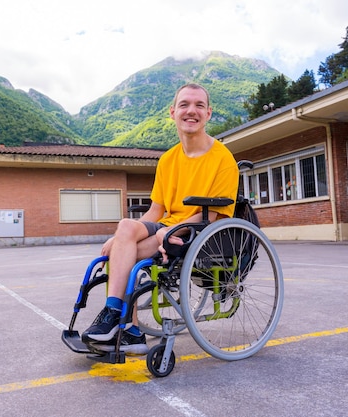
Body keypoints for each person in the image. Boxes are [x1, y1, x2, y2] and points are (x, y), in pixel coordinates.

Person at [81, 83, 239, 354]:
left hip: (198, 231)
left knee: (124, 255)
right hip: (165, 227)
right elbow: (156, 211)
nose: (192, 111)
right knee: (125, 228)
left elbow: (211, 215)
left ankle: (124, 327)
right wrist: (120, 236)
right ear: (172, 112)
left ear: (209, 113)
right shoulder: (167, 159)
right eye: (185, 105)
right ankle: (120, 322)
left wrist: (168, 231)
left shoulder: (223, 159)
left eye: (199, 105)